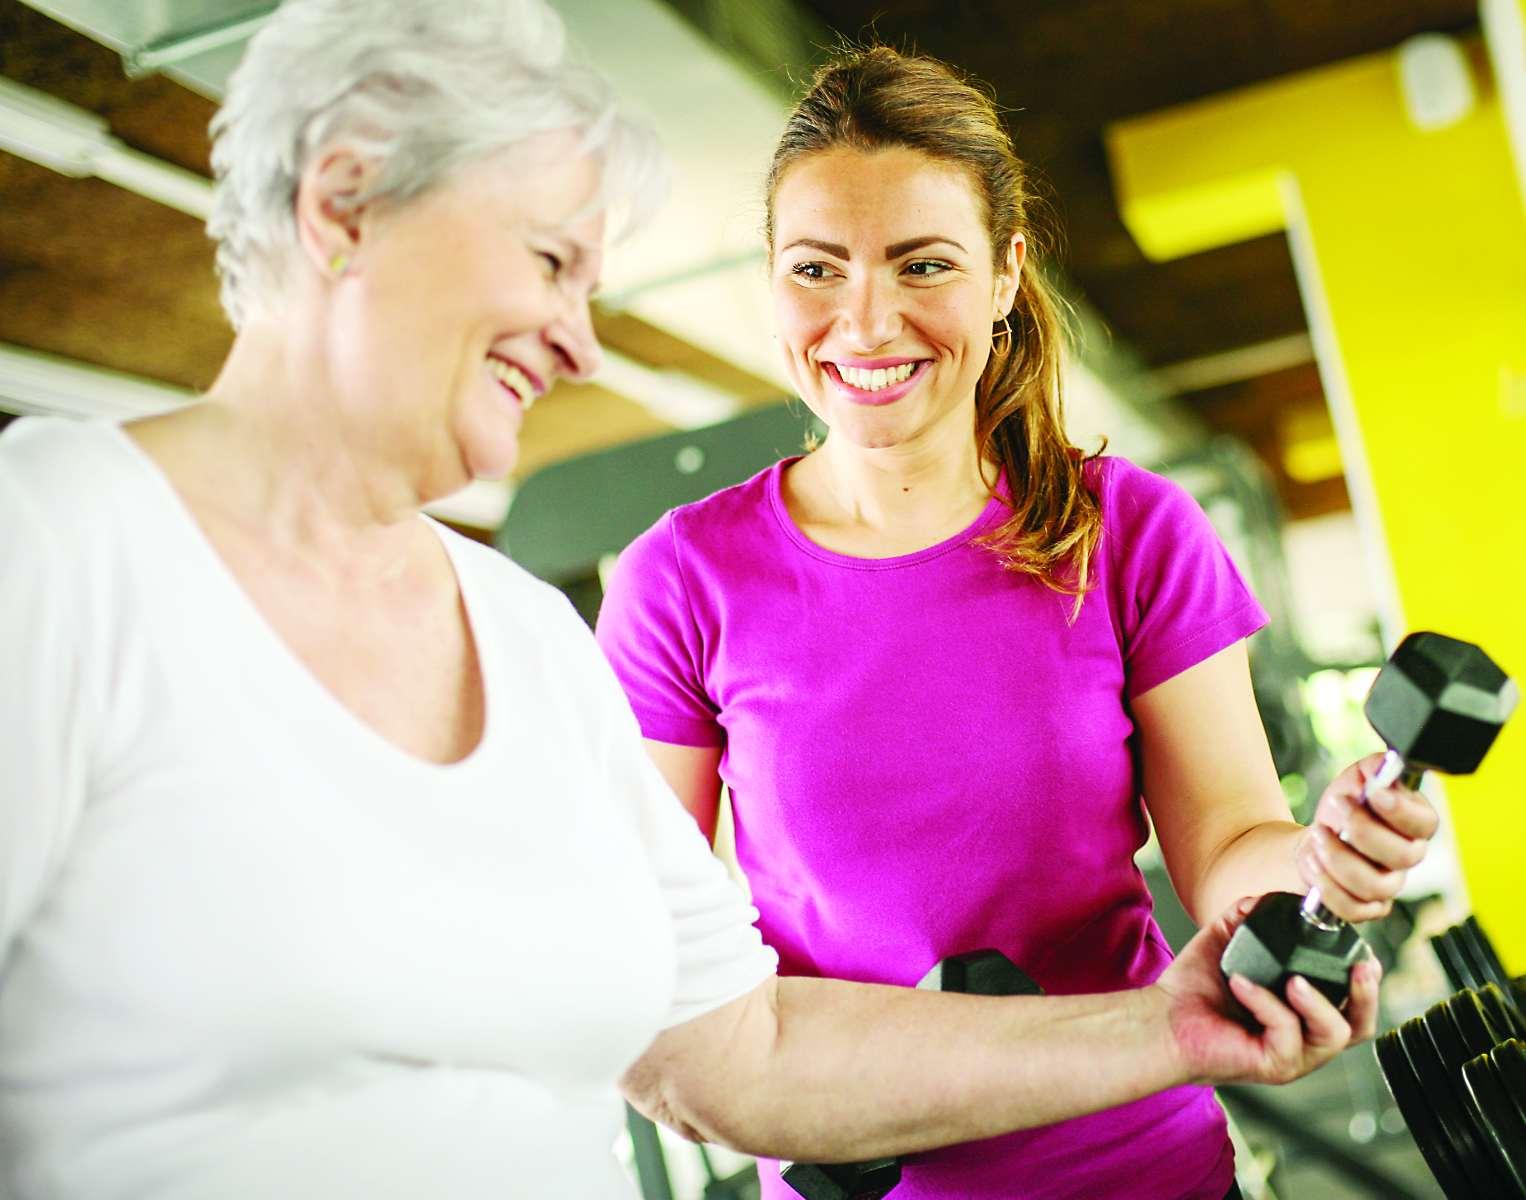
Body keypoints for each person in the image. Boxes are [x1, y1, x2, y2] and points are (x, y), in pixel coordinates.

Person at [0, 6, 1377, 1198]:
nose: (580, 343)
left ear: (1005, 273)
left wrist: (1218, 981)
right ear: (343, 205)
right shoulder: (60, 547)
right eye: (550, 263)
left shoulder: (517, 635)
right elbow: (712, 1053)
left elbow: (723, 1046)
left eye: (923, 263)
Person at [594, 46, 1441, 1200]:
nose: (864, 320)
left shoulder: (1129, 531)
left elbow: (1229, 847)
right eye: (816, 268)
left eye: (922, 263)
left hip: (1140, 1164)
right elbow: (658, 955)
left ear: (1004, 275)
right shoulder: (679, 582)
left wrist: (1320, 855)